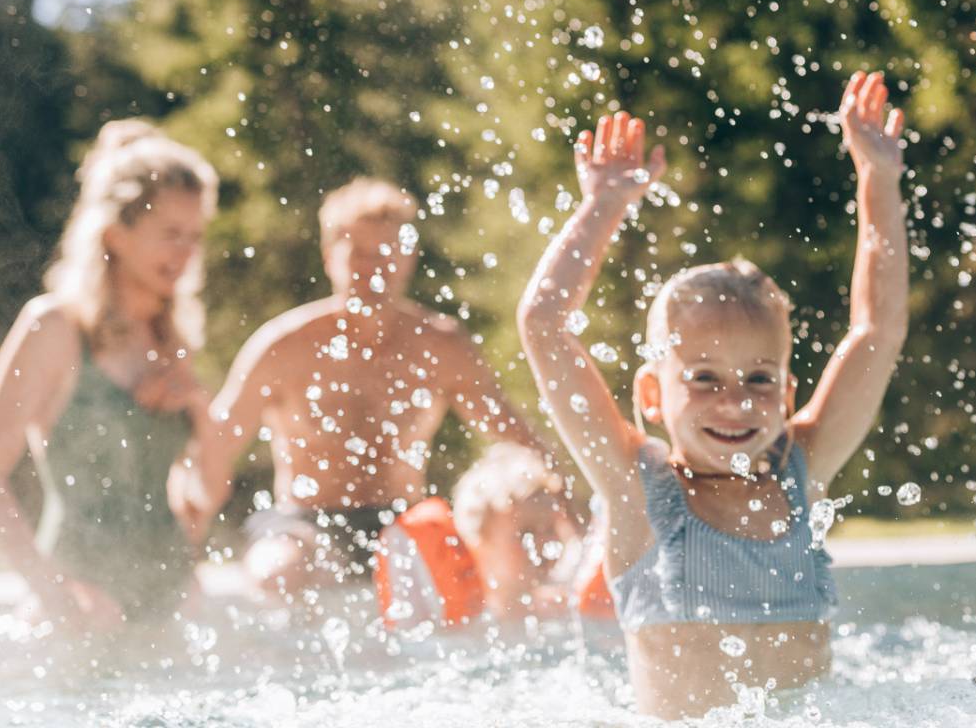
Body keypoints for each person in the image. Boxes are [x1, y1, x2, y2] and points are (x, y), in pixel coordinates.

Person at [517, 71, 910, 719]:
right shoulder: (637, 492)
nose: (735, 402)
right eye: (703, 378)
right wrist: (603, 206)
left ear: (787, 393)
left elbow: (877, 329)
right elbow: (543, 327)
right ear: (651, 391)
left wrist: (878, 179)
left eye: (758, 379)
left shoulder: (799, 474)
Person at [201, 177, 551, 596]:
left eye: (388, 253)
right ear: (331, 257)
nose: (374, 269)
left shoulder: (441, 346)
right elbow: (214, 448)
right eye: (360, 254)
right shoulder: (284, 348)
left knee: (497, 576)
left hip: (405, 521)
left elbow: (521, 446)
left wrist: (565, 526)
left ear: (409, 257)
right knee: (280, 573)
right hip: (305, 523)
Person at [0, 120, 222, 632]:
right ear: (117, 235)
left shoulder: (171, 337)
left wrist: (199, 408)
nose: (185, 253)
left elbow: (207, 494)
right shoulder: (53, 327)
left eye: (194, 236)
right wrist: (55, 593)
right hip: (79, 613)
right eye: (170, 234)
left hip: (172, 610)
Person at [373, 442, 583, 630]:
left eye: (550, 529)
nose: (542, 544)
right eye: (526, 533)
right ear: (479, 537)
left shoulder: (568, 612)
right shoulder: (445, 617)